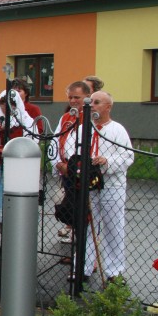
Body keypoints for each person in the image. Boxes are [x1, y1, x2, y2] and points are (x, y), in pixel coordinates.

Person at [61, 91, 133, 282]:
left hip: (112, 185)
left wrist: (107, 161)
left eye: (97, 102)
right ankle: (82, 268)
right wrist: (79, 163)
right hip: (87, 186)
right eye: (90, 102)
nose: (92, 105)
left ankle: (114, 272)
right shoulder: (84, 128)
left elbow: (128, 157)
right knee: (87, 227)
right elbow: (70, 149)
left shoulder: (117, 130)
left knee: (113, 227)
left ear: (108, 107)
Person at [0, 85, 36, 256]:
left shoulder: (26, 121)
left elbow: (30, 144)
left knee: (15, 207)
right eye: (3, 102)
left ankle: (18, 244)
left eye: (10, 102)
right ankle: (4, 241)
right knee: (0, 208)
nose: (6, 106)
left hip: (16, 167)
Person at [52, 80, 92, 244]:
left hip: (81, 172)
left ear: (87, 97)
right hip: (65, 169)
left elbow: (90, 146)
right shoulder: (66, 117)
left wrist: (74, 166)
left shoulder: (90, 117)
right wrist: (58, 163)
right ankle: (75, 241)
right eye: (70, 97)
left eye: (77, 97)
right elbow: (55, 141)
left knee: (84, 211)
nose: (73, 101)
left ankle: (84, 249)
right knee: (71, 209)